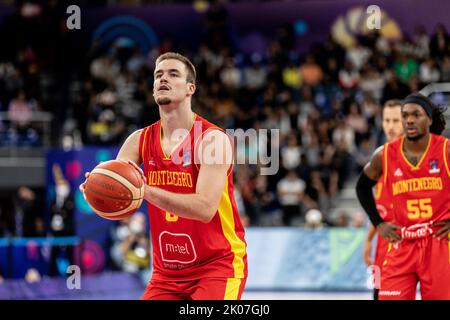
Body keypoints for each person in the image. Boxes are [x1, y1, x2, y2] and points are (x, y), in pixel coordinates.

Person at [81, 52, 247, 300]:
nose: (163, 79)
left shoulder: (212, 139)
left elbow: (204, 208)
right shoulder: (139, 140)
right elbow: (120, 193)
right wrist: (97, 190)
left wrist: (144, 190)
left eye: (173, 74)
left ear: (191, 88)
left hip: (217, 266)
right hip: (167, 274)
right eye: (158, 75)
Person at [356, 92, 450, 300]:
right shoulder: (384, 155)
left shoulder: (445, 150)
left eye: (416, 115)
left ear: (429, 119)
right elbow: (363, 188)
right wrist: (378, 225)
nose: (409, 120)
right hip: (400, 241)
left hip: (437, 241)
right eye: (404, 115)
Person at [362, 99, 403, 300]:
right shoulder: (381, 158)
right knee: (378, 293)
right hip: (384, 244)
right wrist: (369, 239)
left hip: (411, 243)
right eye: (387, 120)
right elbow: (381, 209)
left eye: (396, 120)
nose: (390, 126)